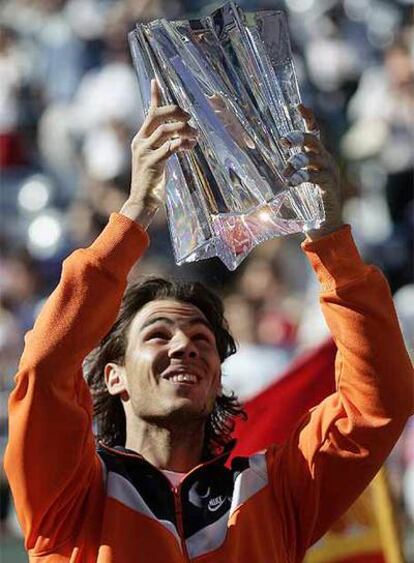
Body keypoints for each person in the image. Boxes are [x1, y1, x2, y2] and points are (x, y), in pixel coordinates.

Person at [4, 81, 413, 562]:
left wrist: (329, 238)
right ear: (113, 376)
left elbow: (380, 400)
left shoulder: (278, 489)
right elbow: (46, 366)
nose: (185, 346)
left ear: (217, 377)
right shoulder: (67, 490)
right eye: (158, 334)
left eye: (202, 339)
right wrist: (135, 213)